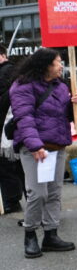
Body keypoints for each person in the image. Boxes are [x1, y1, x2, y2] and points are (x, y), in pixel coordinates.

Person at [9, 49, 77, 258]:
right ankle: (30, 233)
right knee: (37, 193)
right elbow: (24, 118)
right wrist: (35, 146)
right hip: (35, 149)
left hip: (57, 146)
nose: (61, 66)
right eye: (58, 62)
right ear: (45, 65)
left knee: (54, 193)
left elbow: (65, 115)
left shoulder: (61, 87)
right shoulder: (22, 86)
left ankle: (51, 235)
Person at [0, 48, 26, 214]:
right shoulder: (10, 71)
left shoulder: (6, 71)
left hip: (8, 124)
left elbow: (6, 98)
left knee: (9, 165)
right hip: (9, 124)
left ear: (3, 55)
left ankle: (12, 200)